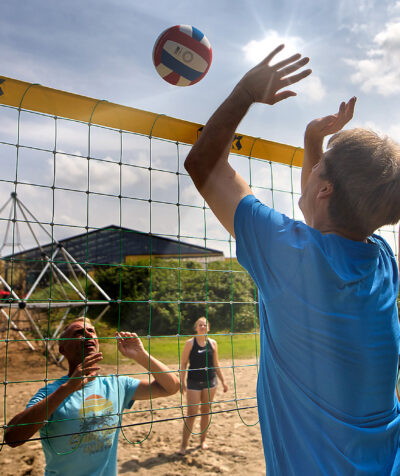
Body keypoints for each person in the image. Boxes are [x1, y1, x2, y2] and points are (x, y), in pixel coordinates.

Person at [184, 44, 400, 475]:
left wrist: (245, 91)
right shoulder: (382, 262)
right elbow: (323, 217)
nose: (314, 170)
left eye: (320, 168)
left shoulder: (290, 253)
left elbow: (203, 164)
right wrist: (312, 142)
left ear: (324, 189)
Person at [5, 317, 180, 475]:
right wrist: (68, 388)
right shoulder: (52, 392)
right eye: (78, 333)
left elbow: (171, 387)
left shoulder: (116, 384)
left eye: (91, 331)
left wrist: (141, 355)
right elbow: (12, 438)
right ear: (62, 348)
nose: (87, 334)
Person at [179, 316, 228, 455]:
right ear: (196, 328)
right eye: (200, 325)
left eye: (205, 325)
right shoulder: (190, 343)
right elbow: (183, 363)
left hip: (210, 382)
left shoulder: (213, 343)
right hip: (193, 382)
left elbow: (216, 364)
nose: (202, 327)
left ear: (209, 328)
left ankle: (202, 441)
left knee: (206, 412)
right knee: (191, 414)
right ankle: (184, 444)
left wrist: (223, 381)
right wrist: (181, 380)